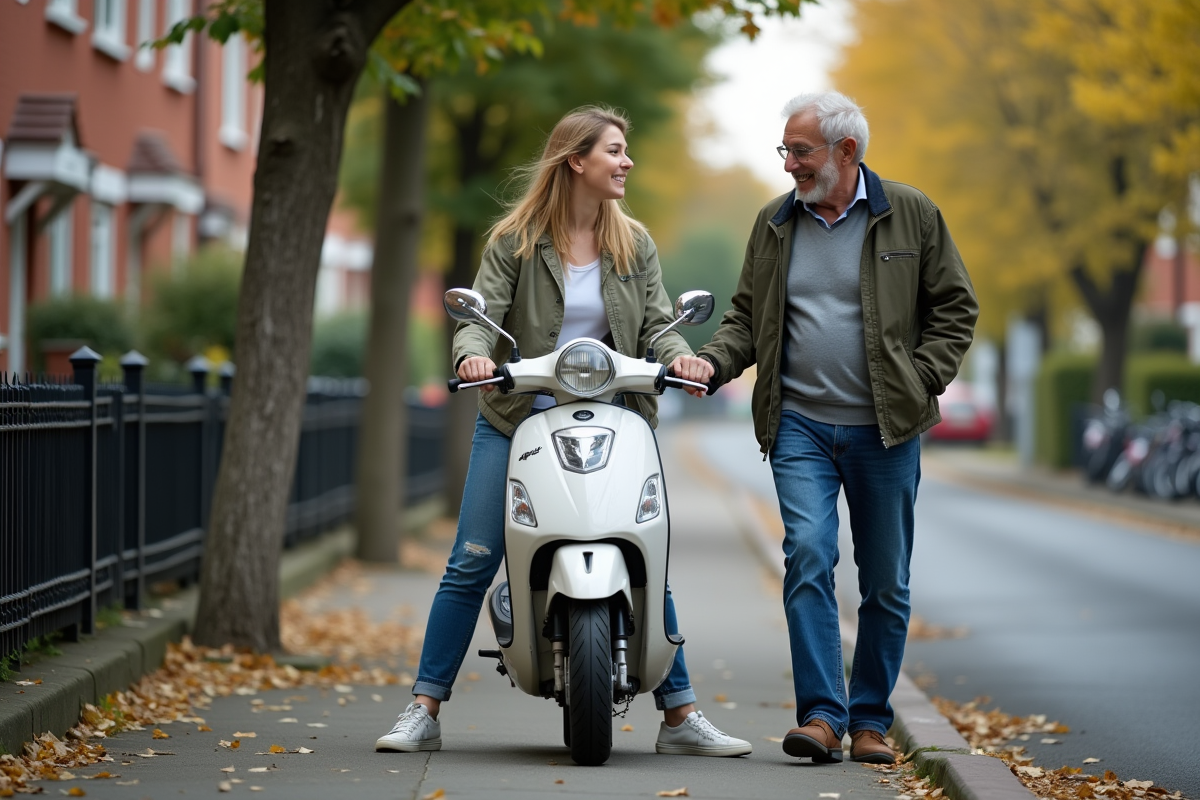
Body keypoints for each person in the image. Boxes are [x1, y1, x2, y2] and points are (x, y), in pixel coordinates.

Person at [375, 105, 752, 758]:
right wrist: (473, 353)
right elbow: (480, 315)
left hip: (617, 419)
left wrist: (680, 357)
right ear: (576, 160)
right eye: (614, 150)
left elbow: (659, 326)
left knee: (643, 555)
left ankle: (681, 717)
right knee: (471, 561)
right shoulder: (515, 241)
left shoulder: (634, 244)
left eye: (626, 149)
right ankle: (424, 707)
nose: (626, 160)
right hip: (518, 419)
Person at [671, 91, 978, 765]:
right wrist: (712, 363)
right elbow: (746, 318)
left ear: (847, 151)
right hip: (800, 425)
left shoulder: (912, 214)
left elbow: (956, 308)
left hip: (885, 429)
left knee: (886, 581)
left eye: (800, 151)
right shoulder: (776, 223)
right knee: (808, 554)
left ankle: (869, 719)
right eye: (785, 150)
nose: (790, 165)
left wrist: (919, 378)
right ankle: (821, 716)